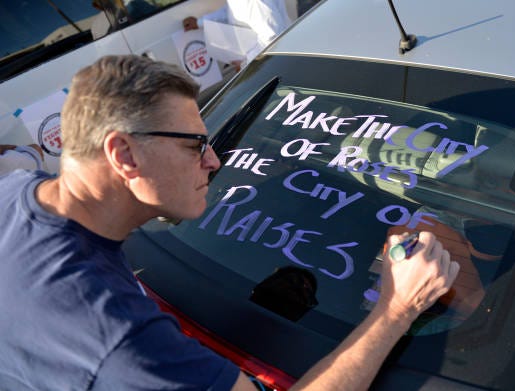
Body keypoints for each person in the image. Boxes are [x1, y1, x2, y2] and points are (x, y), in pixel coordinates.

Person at [0, 54, 459, 390]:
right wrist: (396, 309)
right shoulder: (122, 343)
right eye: (194, 145)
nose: (216, 160)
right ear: (123, 154)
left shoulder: (14, 193)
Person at [183, 0, 293, 66]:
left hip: (272, 63)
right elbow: (232, 11)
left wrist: (245, 62)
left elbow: (272, 37)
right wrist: (199, 22)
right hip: (264, 60)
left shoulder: (254, 2)